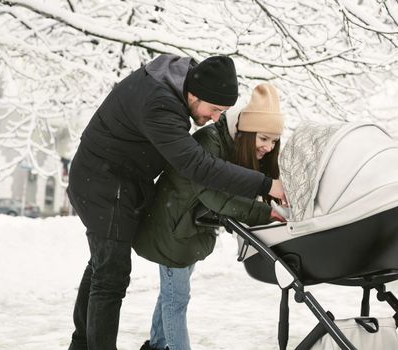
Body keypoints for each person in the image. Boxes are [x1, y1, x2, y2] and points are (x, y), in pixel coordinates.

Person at [66, 55, 286, 350]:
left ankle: (80, 345)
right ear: (194, 95)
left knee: (101, 266)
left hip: (119, 180)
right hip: (105, 183)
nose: (216, 118)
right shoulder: (161, 105)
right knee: (111, 277)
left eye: (224, 112)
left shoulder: (179, 83)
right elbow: (198, 166)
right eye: (215, 109)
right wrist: (266, 184)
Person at [133, 83, 286, 350]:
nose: (269, 147)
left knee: (172, 295)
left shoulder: (229, 146)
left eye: (273, 141)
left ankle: (159, 344)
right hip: (171, 229)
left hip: (187, 229)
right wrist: (264, 212)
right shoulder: (208, 142)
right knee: (176, 299)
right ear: (247, 133)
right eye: (263, 139)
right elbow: (215, 196)